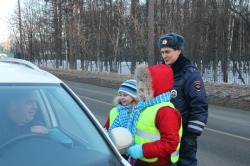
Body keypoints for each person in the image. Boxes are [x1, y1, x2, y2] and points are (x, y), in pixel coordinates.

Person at [158, 32, 208, 166]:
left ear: (178, 51)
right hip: (162, 133)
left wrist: (191, 136)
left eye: (167, 52)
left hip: (183, 133)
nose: (164, 56)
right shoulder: (161, 71)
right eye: (162, 52)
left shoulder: (190, 75)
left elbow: (199, 106)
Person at [126, 64, 182, 166]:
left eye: (143, 90)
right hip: (144, 161)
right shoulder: (145, 106)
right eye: (139, 90)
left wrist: (142, 150)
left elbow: (170, 143)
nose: (141, 94)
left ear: (156, 88)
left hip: (160, 163)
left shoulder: (165, 111)